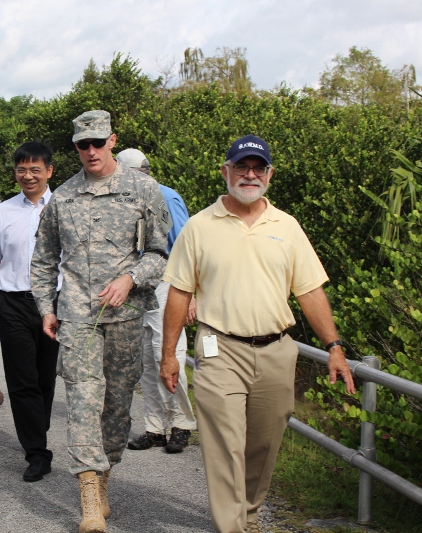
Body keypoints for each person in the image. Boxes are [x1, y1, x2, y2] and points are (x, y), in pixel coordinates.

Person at [160, 135, 356, 533]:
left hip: (277, 350)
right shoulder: (199, 227)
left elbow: (310, 291)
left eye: (258, 168)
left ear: (269, 174)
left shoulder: (287, 226)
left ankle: (248, 514)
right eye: (242, 167)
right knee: (225, 445)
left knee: (263, 445)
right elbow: (179, 292)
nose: (250, 175)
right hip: (220, 350)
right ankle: (231, 526)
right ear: (225, 172)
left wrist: (333, 346)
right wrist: (169, 355)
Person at [30, 111, 171, 533]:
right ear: (75, 147)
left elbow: (160, 255)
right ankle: (88, 494)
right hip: (76, 318)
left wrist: (130, 280)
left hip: (125, 317)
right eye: (81, 144)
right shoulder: (64, 198)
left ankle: (104, 477)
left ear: (112, 140)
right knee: (83, 402)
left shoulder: (144, 189)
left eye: (96, 142)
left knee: (116, 409)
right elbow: (43, 260)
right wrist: (46, 308)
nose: (89, 151)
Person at [0, 141, 60, 482]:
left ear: (49, 171)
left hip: (54, 303)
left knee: (45, 377)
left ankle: (36, 428)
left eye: (35, 170)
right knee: (21, 379)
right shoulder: (2, 211)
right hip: (12, 301)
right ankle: (37, 451)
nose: (27, 176)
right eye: (21, 170)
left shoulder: (63, 205)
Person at [116, 148, 197, 454]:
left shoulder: (165, 196)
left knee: (168, 352)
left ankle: (181, 423)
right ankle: (154, 426)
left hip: (167, 284)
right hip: (136, 286)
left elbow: (186, 247)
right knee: (146, 360)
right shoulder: (124, 198)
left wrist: (191, 295)